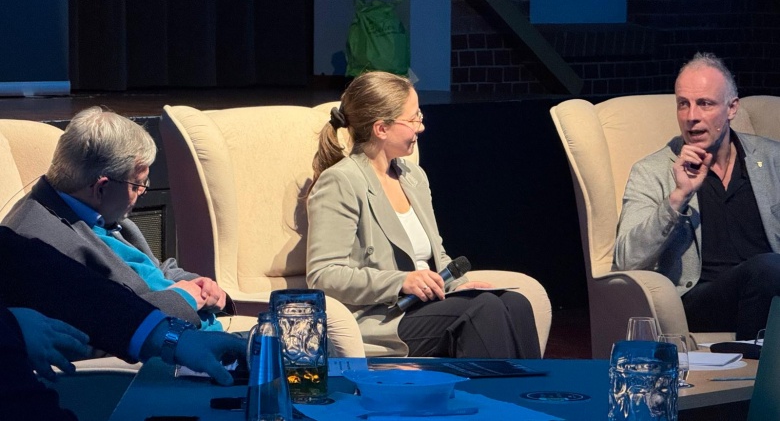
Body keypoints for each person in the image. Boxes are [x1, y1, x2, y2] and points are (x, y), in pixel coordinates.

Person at [306, 71, 540, 358]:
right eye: (413, 118)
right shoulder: (341, 181)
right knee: (485, 310)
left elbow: (436, 256)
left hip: (428, 305)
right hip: (383, 317)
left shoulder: (413, 176)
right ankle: (489, 402)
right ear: (381, 128)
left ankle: (529, 398)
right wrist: (401, 281)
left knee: (515, 303)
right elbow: (323, 275)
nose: (421, 127)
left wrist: (462, 286)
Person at [1, 106, 228, 331]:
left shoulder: (93, 212)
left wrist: (203, 286)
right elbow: (102, 323)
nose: (143, 191)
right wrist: (183, 298)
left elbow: (154, 268)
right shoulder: (38, 243)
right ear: (102, 188)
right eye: (138, 184)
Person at [614, 52, 780, 340]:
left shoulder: (773, 159)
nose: (691, 117)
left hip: (771, 287)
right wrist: (678, 198)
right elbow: (625, 259)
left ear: (732, 108)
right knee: (767, 268)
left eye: (704, 104)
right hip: (702, 299)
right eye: (683, 104)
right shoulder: (652, 171)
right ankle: (754, 372)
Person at [0, 226, 246, 419]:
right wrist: (10, 324)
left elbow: (32, 268)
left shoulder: (114, 222)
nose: (142, 191)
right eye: (137, 183)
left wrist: (172, 337)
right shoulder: (41, 224)